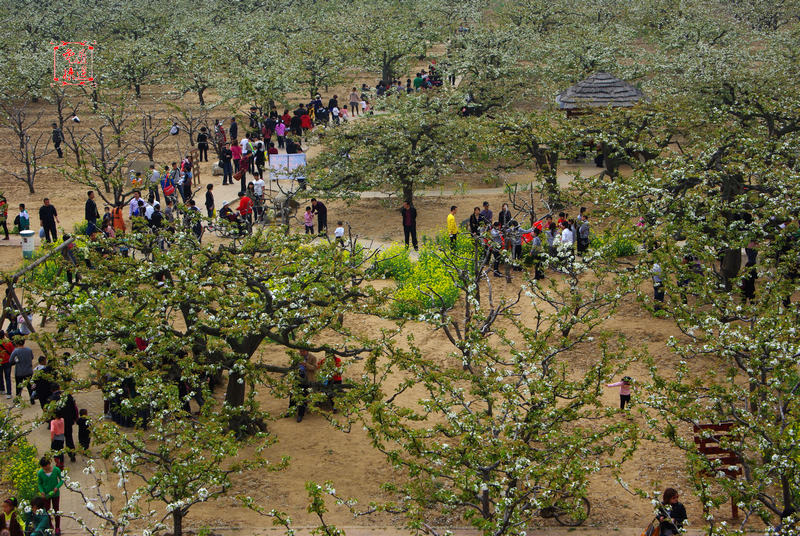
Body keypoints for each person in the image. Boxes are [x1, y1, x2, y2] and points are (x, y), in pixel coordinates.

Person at [37, 457, 62, 535]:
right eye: (43, 468)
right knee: (47, 510)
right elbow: (39, 483)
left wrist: (56, 487)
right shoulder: (40, 473)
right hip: (46, 495)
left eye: (45, 467)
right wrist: (42, 491)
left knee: (56, 510)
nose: (45, 469)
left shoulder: (56, 470)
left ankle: (57, 527)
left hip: (55, 494)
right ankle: (50, 525)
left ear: (49, 464)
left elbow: (62, 480)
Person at [0, 331, 12, 399]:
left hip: (1, 362)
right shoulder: (8, 343)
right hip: (7, 362)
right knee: (7, 377)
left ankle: (2, 389)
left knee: (0, 376)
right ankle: (9, 393)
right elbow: (12, 352)